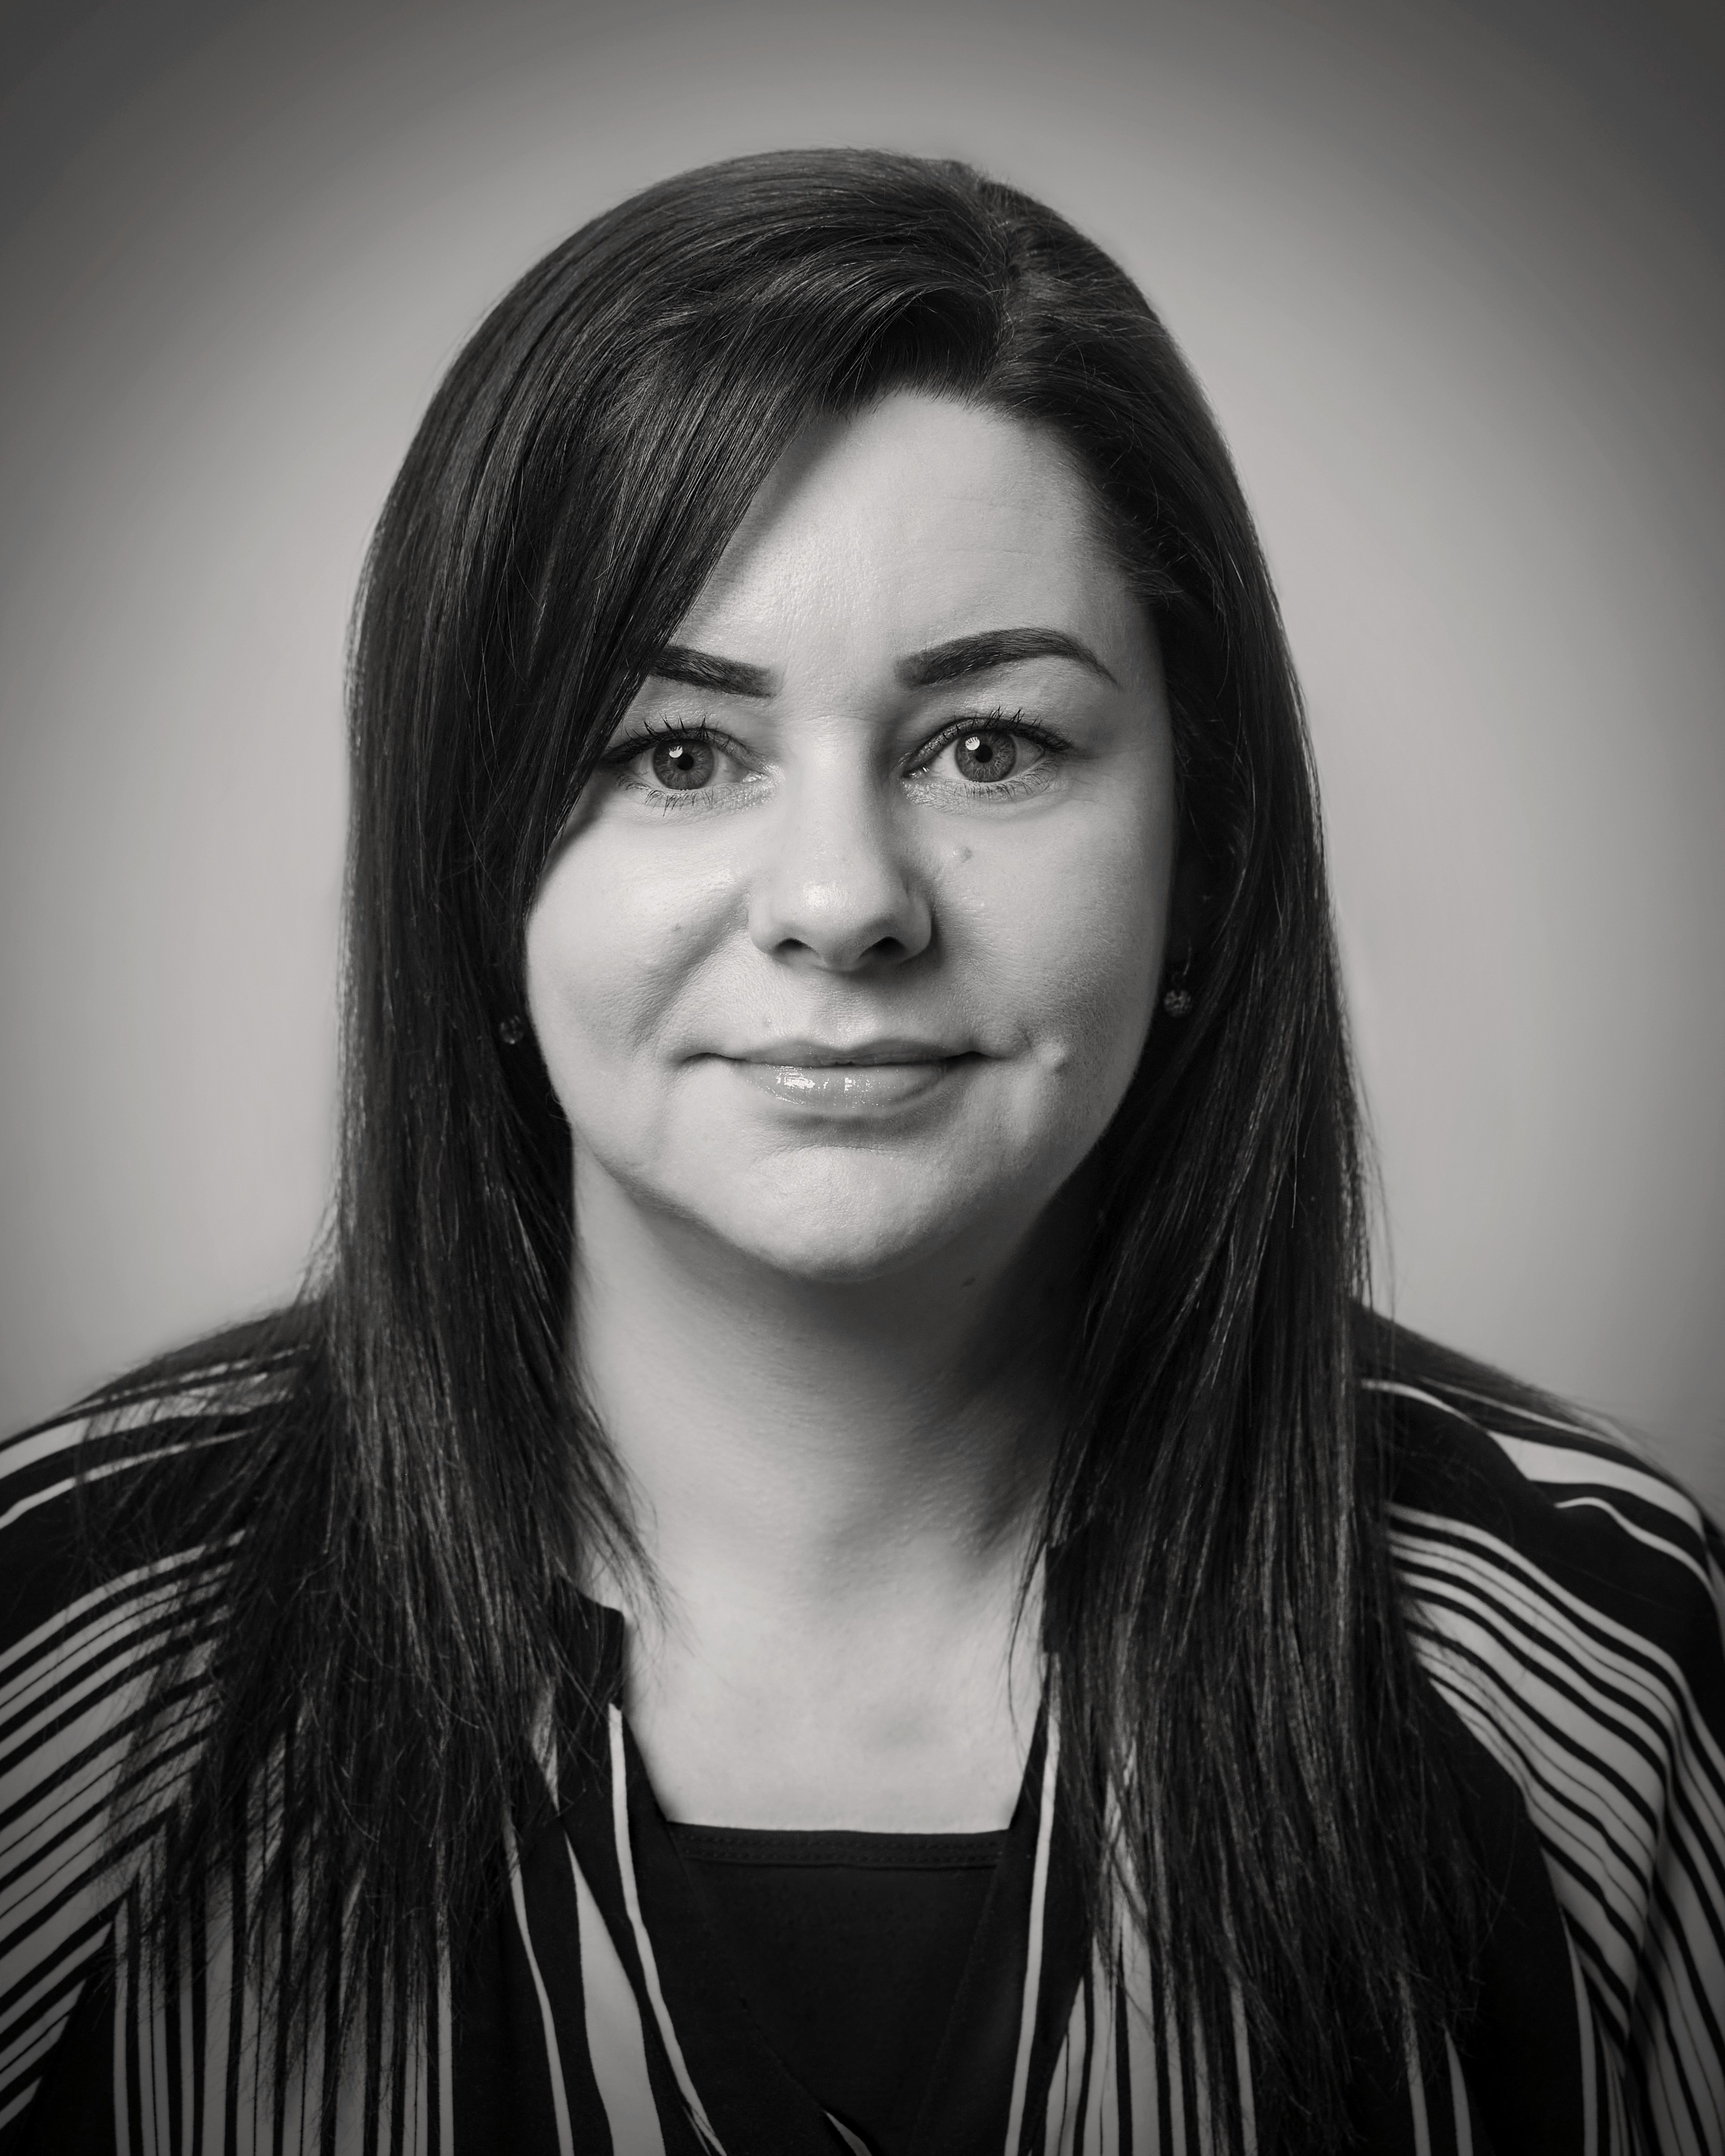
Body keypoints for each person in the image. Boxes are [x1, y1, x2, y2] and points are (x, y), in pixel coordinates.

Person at [1, 148, 1721, 2156]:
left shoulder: (1585, 1663)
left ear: (1202, 847)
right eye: (675, 753)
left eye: (987, 745)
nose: (841, 899)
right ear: (470, 866)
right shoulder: (65, 1659)